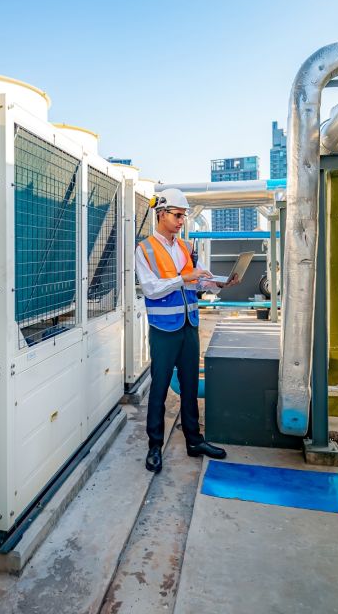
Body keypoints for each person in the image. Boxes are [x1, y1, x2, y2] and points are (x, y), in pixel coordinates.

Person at [135, 188, 239, 473]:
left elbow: (199, 280)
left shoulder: (186, 248)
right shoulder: (145, 249)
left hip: (189, 326)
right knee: (159, 388)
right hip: (163, 330)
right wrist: (183, 279)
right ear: (161, 214)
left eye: (183, 216)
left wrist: (219, 283)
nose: (182, 221)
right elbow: (151, 289)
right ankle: (154, 446)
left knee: (190, 385)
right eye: (178, 215)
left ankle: (194, 441)